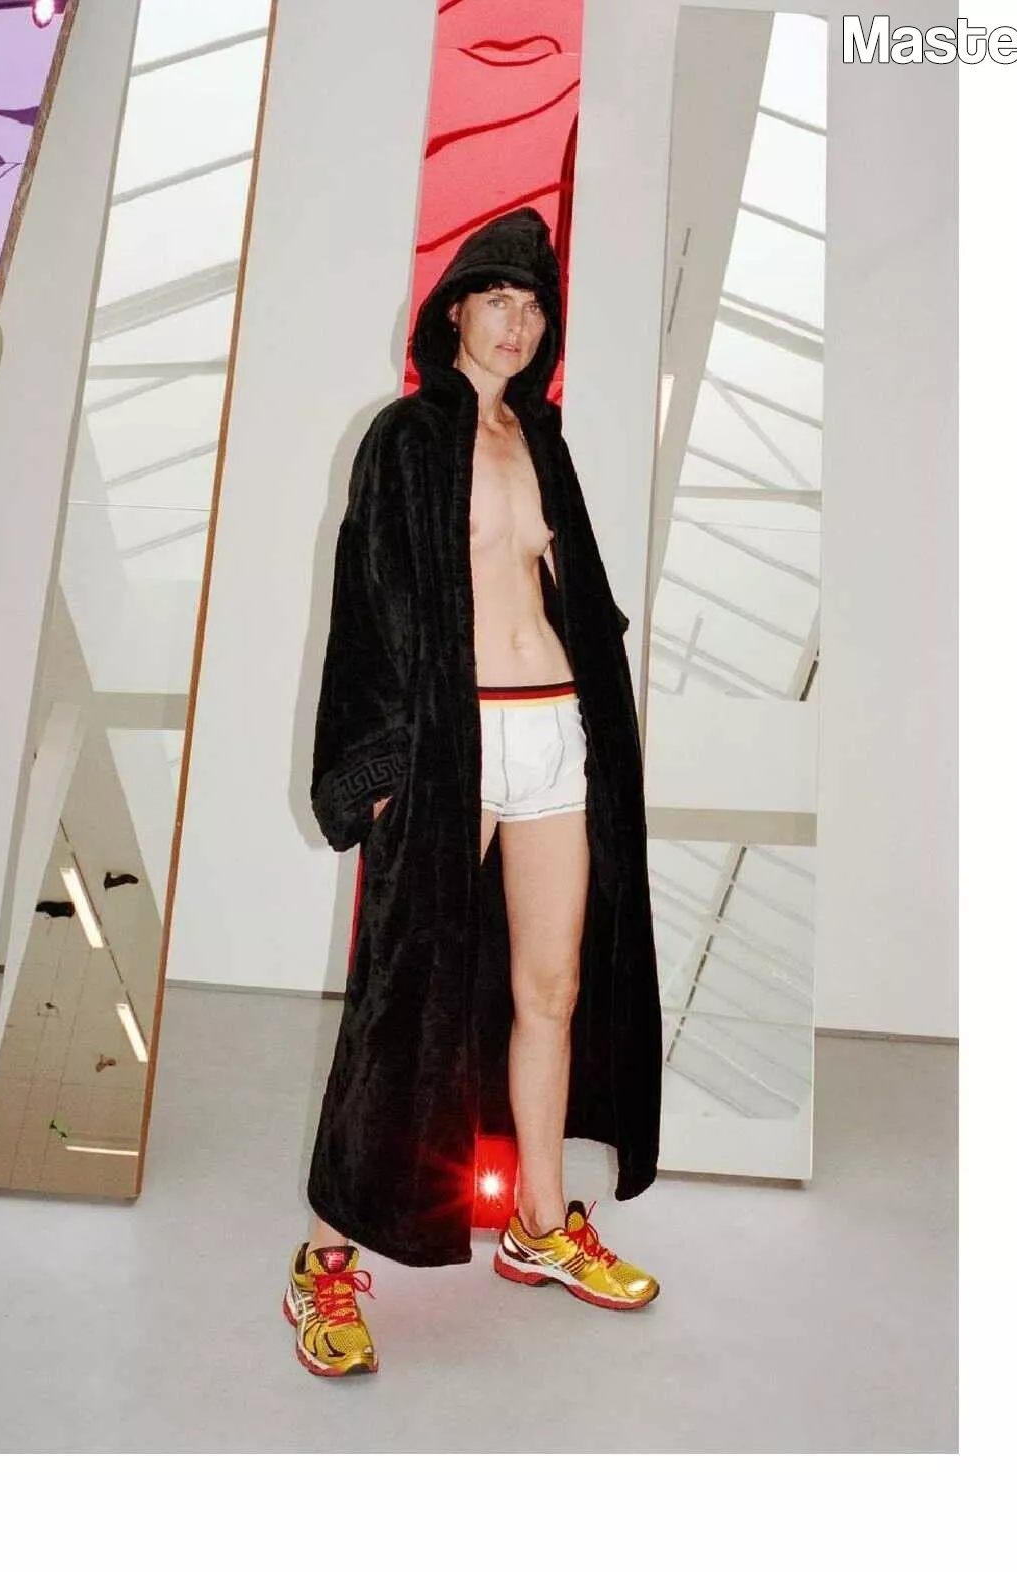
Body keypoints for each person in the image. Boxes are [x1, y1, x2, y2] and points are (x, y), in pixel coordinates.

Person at [287, 209, 664, 1378]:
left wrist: (604, 722)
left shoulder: (543, 442)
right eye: (497, 299)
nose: (517, 323)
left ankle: (541, 1224)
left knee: (551, 987)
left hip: (555, 734)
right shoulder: (405, 438)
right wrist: (380, 774)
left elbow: (576, 599)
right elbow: (369, 606)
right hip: (455, 747)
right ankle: (326, 1261)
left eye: (534, 306)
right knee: (404, 1001)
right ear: (454, 311)